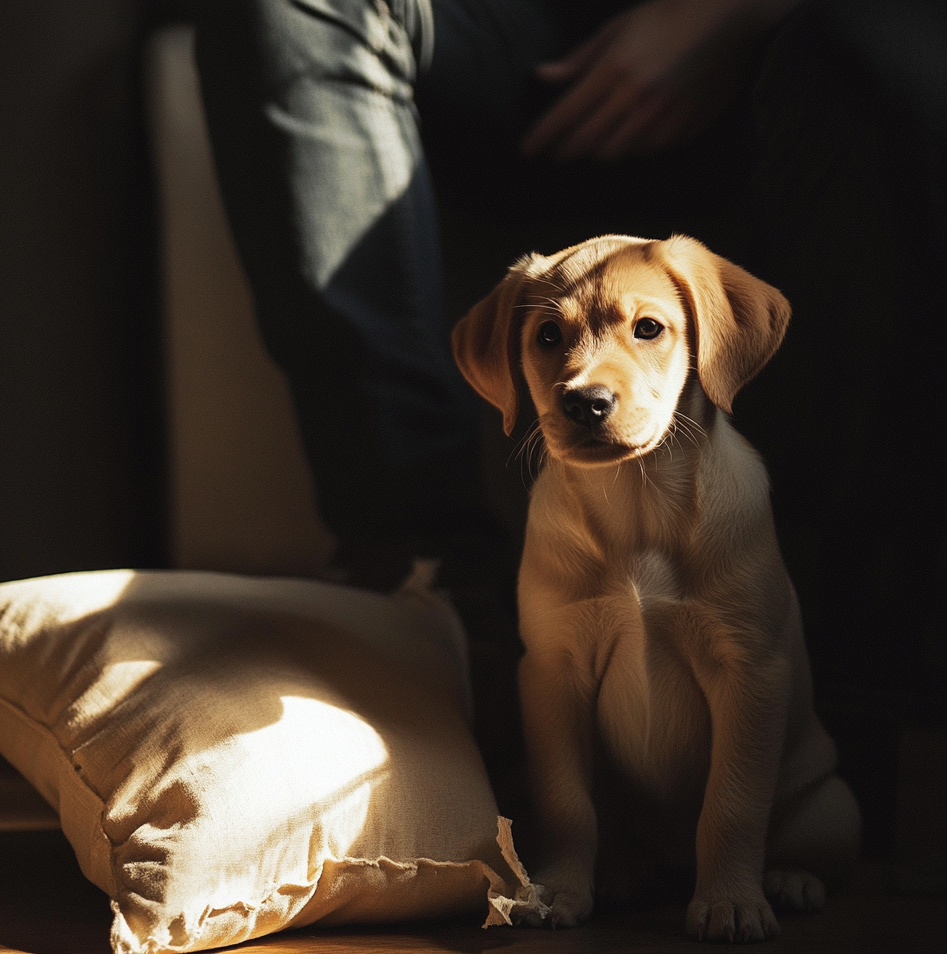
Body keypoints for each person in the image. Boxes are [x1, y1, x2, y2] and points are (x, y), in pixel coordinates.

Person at [190, 0, 945, 831]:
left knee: (884, 53)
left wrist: (723, 15)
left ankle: (845, 698)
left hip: (778, 42)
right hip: (519, 51)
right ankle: (448, 612)